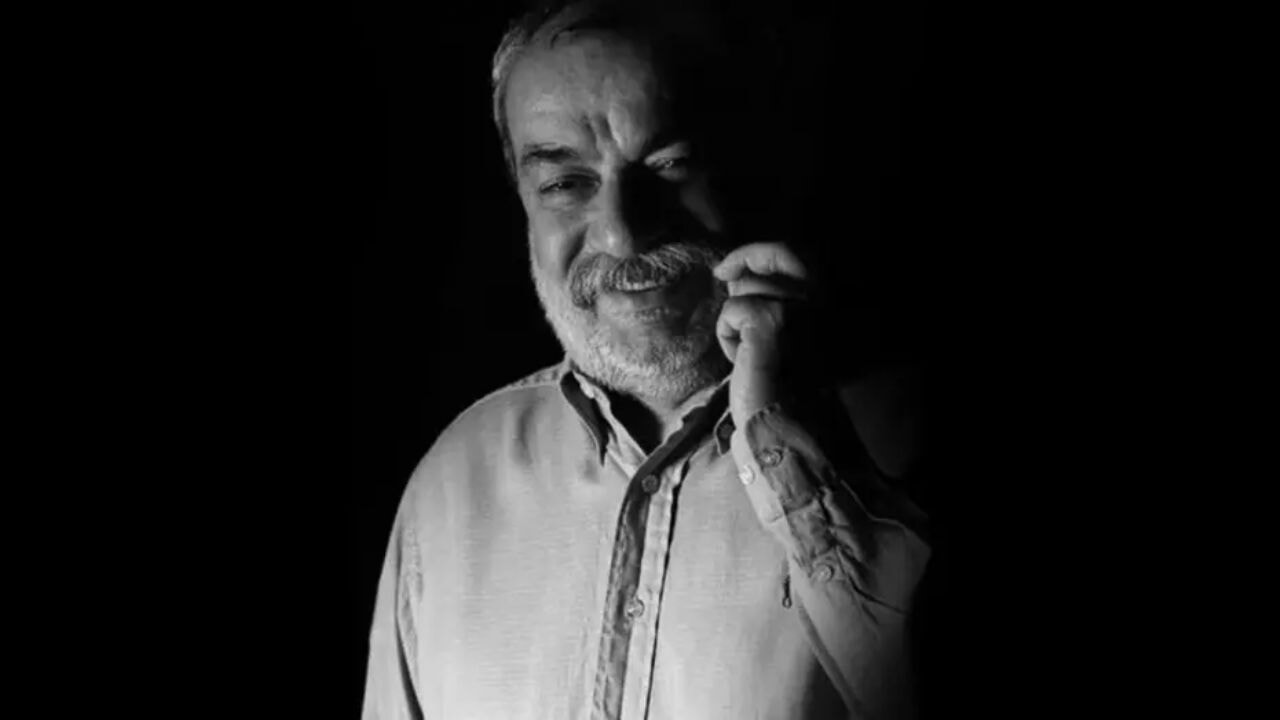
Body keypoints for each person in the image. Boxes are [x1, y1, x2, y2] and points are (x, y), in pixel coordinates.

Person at [361, 1, 931, 718]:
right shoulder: (452, 485)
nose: (622, 235)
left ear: (757, 164)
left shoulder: (905, 441)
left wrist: (800, 456)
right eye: (564, 184)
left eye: (671, 164)